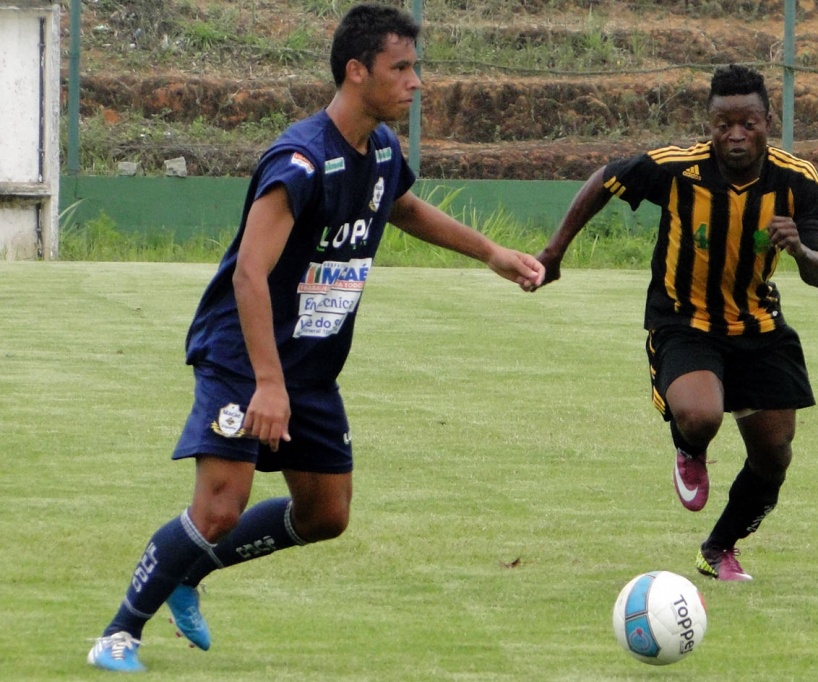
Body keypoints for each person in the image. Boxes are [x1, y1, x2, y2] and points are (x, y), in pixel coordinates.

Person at [87, 3, 544, 673]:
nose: (416, 82)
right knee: (219, 506)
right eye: (402, 68)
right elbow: (249, 272)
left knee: (326, 513)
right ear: (357, 72)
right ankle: (119, 634)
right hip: (243, 357)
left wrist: (490, 252)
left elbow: (402, 206)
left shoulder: (382, 150)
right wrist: (267, 383)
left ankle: (191, 567)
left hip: (309, 365)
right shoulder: (301, 158)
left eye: (416, 68)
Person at [531, 64, 818, 582]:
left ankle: (718, 549)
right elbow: (606, 178)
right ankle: (688, 446)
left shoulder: (796, 179)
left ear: (768, 121)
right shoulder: (677, 168)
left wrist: (801, 249)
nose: (736, 135)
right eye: (723, 124)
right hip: (683, 319)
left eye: (748, 123)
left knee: (775, 454)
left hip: (758, 327)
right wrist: (554, 253)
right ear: (709, 125)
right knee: (702, 416)